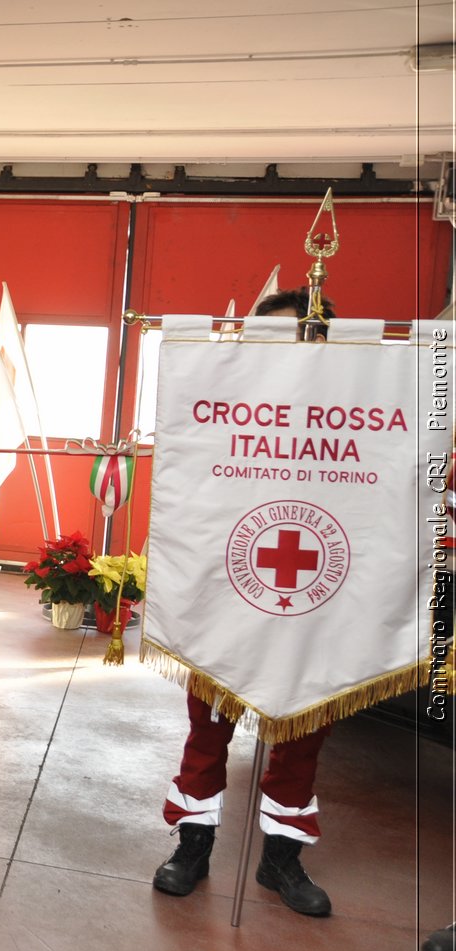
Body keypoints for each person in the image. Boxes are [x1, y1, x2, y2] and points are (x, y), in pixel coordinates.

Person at [153, 287, 338, 916]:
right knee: (207, 730)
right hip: (229, 593)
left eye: (298, 338)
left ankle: (281, 861)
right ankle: (194, 846)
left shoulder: (351, 415)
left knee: (302, 731)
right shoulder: (224, 412)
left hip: (313, 598)